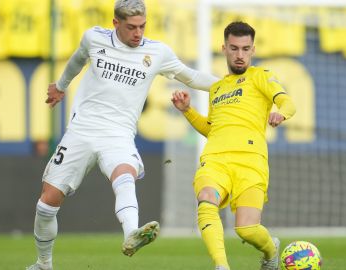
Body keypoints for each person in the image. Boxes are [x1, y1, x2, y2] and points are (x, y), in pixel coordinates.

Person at [26, 0, 218, 269]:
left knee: (124, 173)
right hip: (82, 130)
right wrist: (60, 86)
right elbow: (77, 60)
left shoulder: (157, 52)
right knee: (47, 205)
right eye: (131, 27)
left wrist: (233, 84)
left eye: (142, 26)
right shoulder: (94, 39)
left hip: (118, 134)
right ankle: (43, 264)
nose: (138, 33)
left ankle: (131, 234)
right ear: (116, 23)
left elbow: (192, 77)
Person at [171, 21, 296, 270]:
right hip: (215, 160)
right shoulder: (216, 89)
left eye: (245, 49)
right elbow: (212, 129)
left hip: (251, 162)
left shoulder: (261, 76)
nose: (240, 55)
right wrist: (187, 111)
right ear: (224, 48)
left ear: (253, 50)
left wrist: (282, 113)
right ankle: (221, 265)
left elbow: (287, 102)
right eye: (234, 48)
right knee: (206, 199)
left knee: (246, 229)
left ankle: (271, 250)